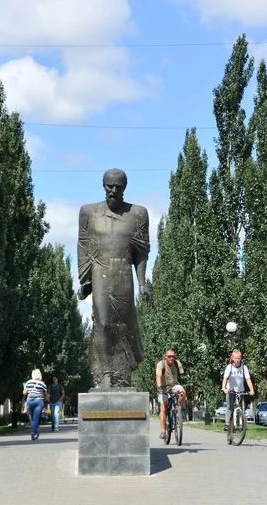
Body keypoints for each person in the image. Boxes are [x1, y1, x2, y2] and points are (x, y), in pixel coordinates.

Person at [77, 168, 150, 387]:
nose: (114, 190)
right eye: (110, 186)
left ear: (125, 187)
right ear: (103, 185)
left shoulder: (138, 213)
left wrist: (142, 283)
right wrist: (85, 280)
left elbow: (142, 253)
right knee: (103, 322)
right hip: (100, 272)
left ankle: (123, 375)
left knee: (124, 325)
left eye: (118, 186)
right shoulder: (88, 212)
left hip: (123, 272)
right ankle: (107, 374)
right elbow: (83, 246)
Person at [156, 348, 186, 440]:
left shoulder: (177, 363)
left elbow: (182, 374)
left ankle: (179, 410)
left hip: (174, 385)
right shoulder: (161, 364)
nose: (171, 358)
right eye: (169, 356)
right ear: (165, 357)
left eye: (173, 356)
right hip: (164, 387)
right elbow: (158, 376)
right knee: (164, 408)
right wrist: (160, 388)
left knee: (183, 392)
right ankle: (163, 431)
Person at [221, 349, 254, 431]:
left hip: (240, 391)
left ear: (241, 358)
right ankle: (227, 423)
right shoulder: (230, 367)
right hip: (230, 390)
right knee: (230, 407)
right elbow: (225, 378)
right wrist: (224, 388)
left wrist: (251, 390)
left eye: (239, 358)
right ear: (232, 358)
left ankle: (239, 424)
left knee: (240, 408)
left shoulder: (243, 367)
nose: (237, 360)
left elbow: (248, 379)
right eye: (235, 358)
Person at [23, 369, 48, 440]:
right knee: (36, 418)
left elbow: (24, 393)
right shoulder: (42, 384)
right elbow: (45, 394)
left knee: (33, 418)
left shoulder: (28, 382)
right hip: (38, 401)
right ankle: (33, 433)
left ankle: (35, 432)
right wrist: (46, 399)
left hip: (30, 401)